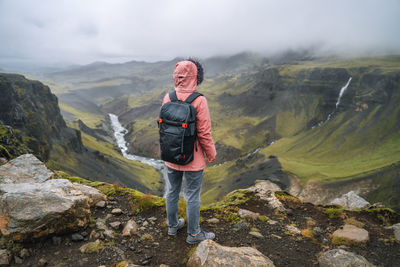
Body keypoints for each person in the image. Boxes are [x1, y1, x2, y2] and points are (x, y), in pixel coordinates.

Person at [162, 59, 217, 244]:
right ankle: (194, 234)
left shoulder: (168, 97)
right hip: (193, 160)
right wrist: (211, 153)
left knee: (172, 191)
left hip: (171, 155)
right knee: (193, 195)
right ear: (196, 77)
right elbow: (204, 132)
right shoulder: (199, 100)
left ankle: (172, 226)